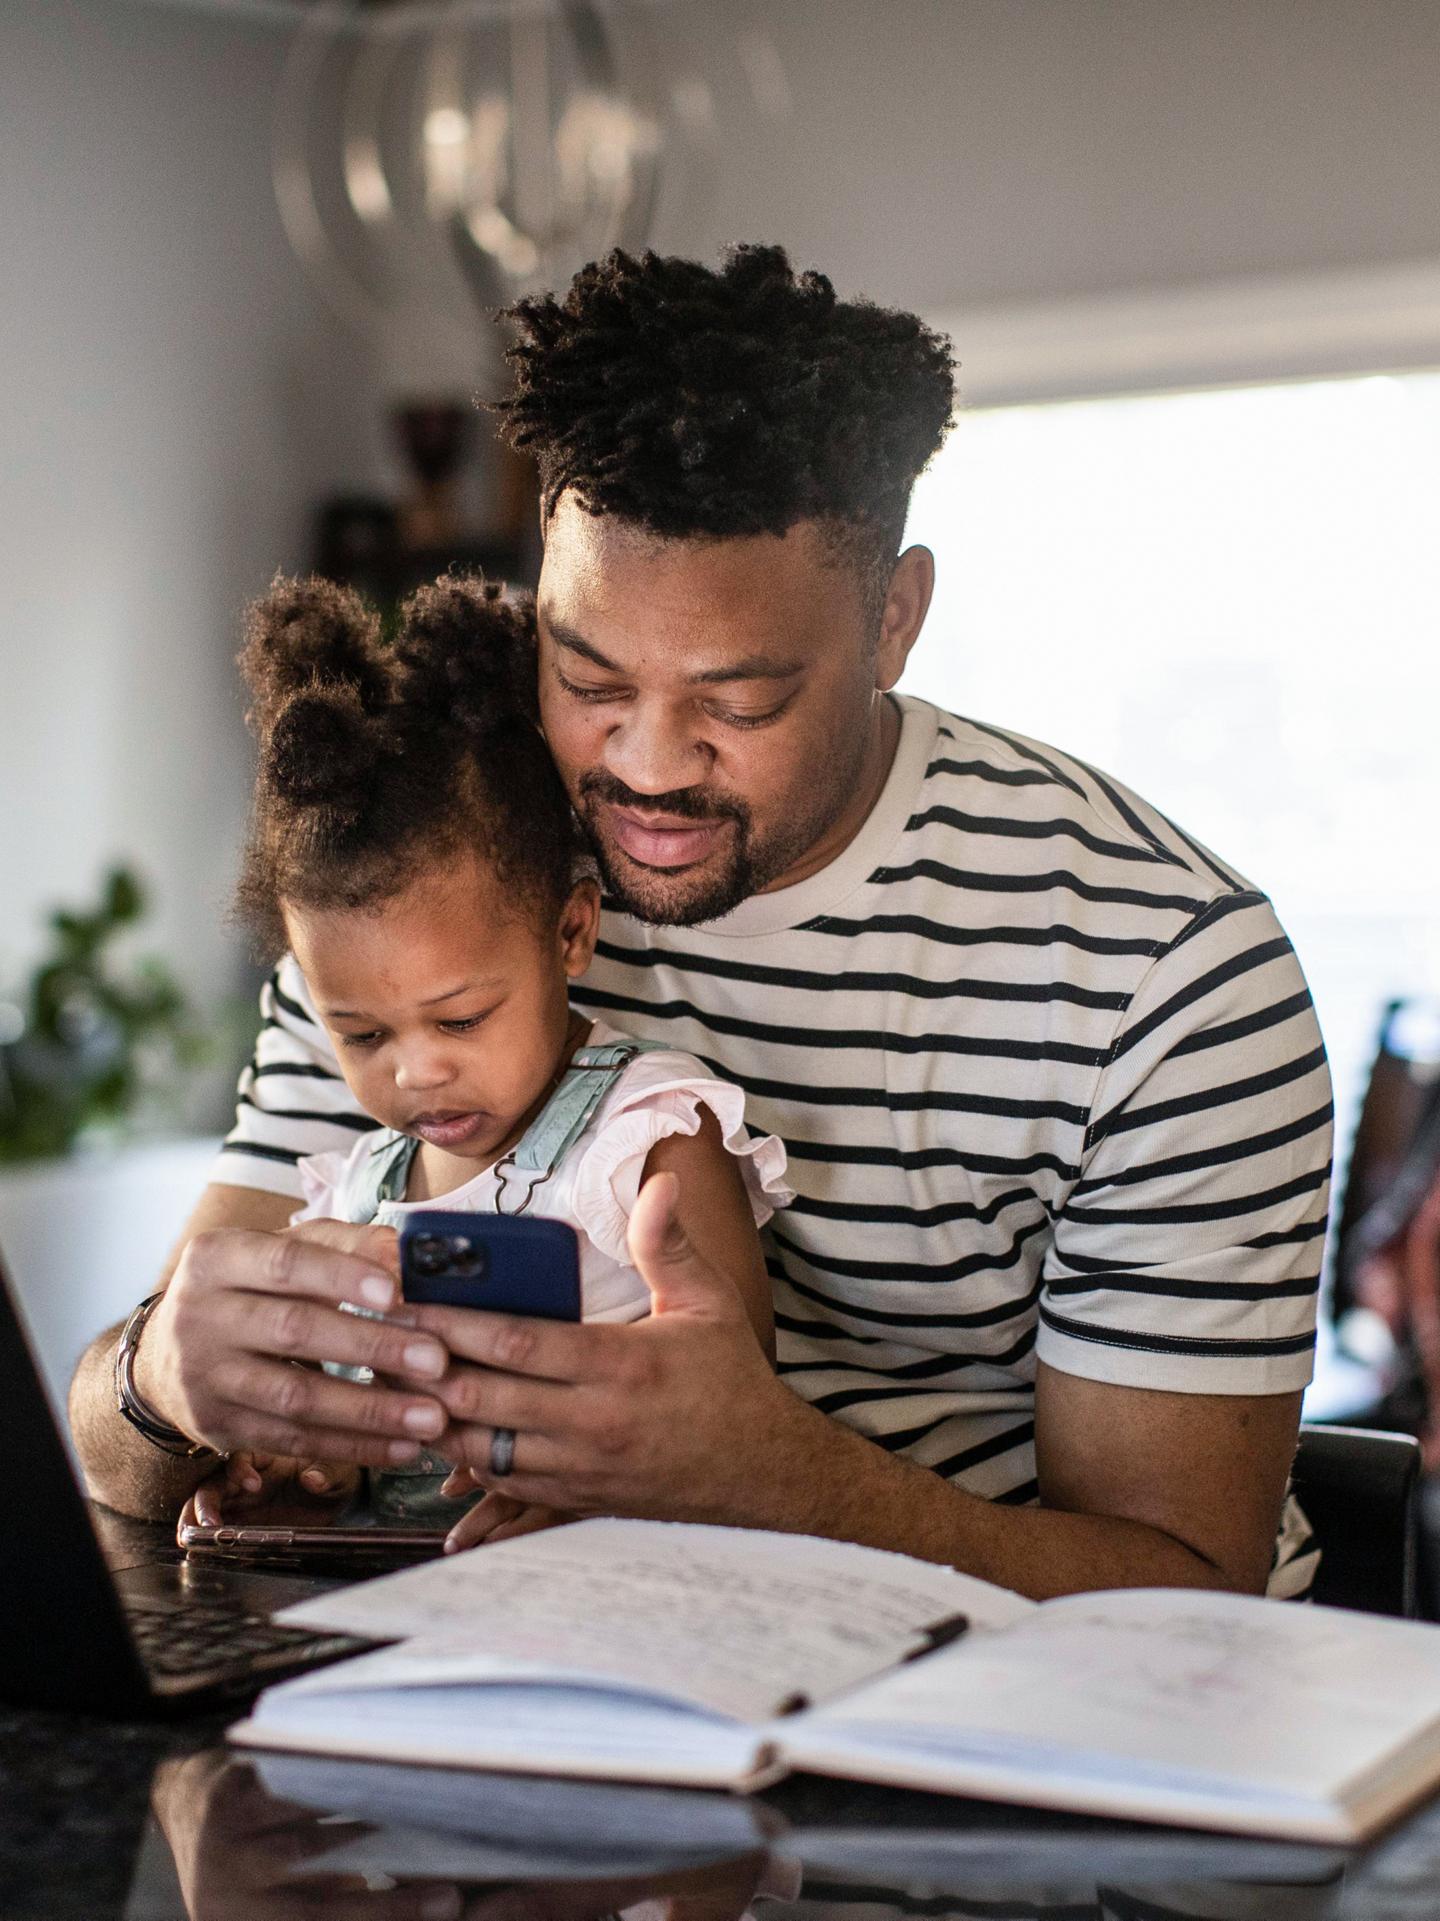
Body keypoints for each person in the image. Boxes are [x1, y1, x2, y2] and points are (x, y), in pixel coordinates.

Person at [70, 244, 1332, 1602]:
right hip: (521, 1657)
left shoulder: (1162, 971)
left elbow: (1185, 1598)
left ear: (895, 618)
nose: (650, 766)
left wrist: (774, 1481)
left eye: (740, 702)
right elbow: (114, 1453)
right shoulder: (438, 884)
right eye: (588, 674)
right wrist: (163, 1380)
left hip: (992, 1716)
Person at [186, 571, 785, 1551]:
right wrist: (305, 1473)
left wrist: (597, 1494)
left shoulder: (650, 1141)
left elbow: (737, 1425)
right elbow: (346, 1432)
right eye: (363, 1035)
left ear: (571, 932)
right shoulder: (353, 1197)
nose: (414, 1074)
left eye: (459, 1020)